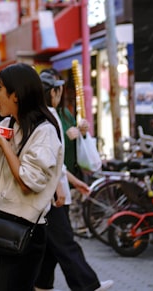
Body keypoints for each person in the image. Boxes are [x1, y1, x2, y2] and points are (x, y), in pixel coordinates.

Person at [0, 63, 63, 291]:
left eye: (0, 89)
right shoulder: (8, 124)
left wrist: (4, 145)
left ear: (15, 95)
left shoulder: (44, 131)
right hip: (1, 223)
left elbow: (27, 183)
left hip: (25, 229)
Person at [34, 70, 112, 291]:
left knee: (53, 245)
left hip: (55, 192)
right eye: (58, 89)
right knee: (65, 243)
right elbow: (53, 159)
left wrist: (73, 181)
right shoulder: (50, 115)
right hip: (54, 194)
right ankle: (88, 285)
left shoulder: (53, 114)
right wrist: (63, 184)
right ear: (53, 92)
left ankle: (41, 285)